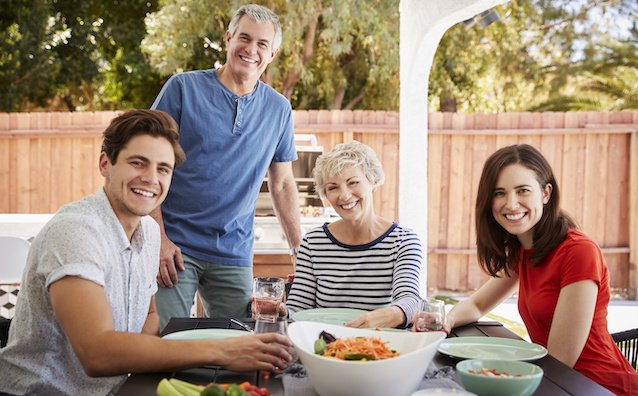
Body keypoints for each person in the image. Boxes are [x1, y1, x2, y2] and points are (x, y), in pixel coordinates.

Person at [0, 110, 292, 396]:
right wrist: (224, 351)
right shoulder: (76, 231)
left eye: (163, 169)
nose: (151, 178)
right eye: (138, 163)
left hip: (121, 387)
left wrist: (142, 357)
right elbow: (97, 354)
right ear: (105, 163)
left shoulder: (150, 233)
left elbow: (151, 314)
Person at [414, 144, 637, 395]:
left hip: (594, 386)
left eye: (523, 191)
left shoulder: (579, 251)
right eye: (499, 193)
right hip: (550, 380)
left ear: (545, 193)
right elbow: (477, 305)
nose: (511, 204)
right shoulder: (523, 250)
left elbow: (560, 359)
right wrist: (444, 321)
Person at [150, 3, 301, 328]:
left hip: (233, 251)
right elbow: (150, 166)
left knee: (236, 343)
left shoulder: (279, 109)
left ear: (272, 55)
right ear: (229, 38)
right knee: (166, 341)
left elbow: (283, 183)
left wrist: (298, 250)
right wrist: (158, 238)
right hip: (175, 246)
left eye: (262, 44)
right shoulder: (182, 89)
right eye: (244, 38)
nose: (251, 49)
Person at [285, 141, 422, 329]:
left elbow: (410, 301)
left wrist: (391, 314)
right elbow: (298, 309)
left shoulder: (403, 242)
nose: (345, 196)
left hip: (381, 346)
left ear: (373, 181)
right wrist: (281, 312)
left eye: (353, 183)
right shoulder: (313, 243)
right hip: (324, 346)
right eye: (333, 187)